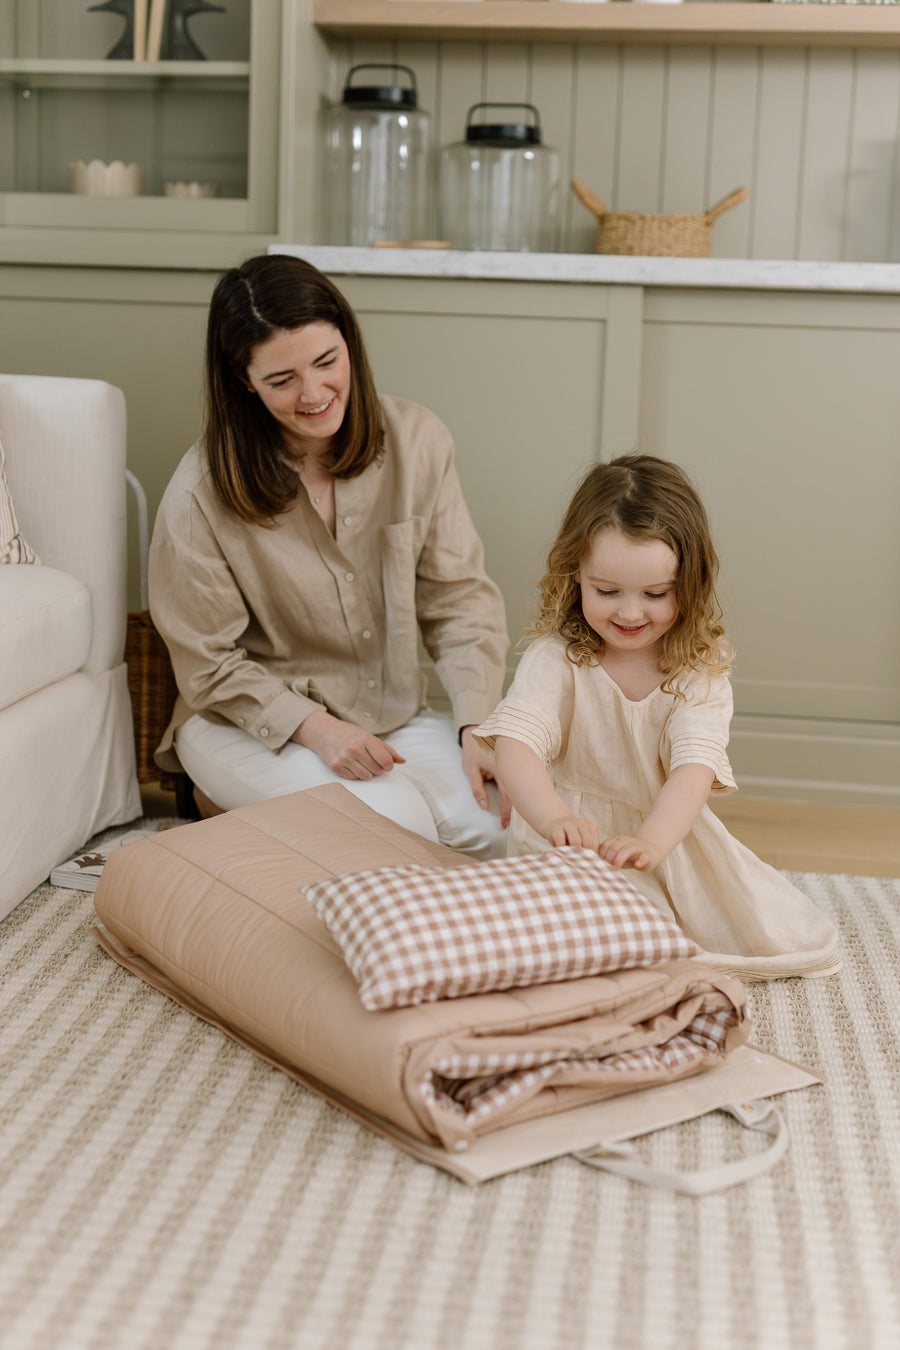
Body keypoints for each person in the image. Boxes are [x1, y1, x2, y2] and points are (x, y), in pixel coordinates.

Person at [149, 253, 509, 858]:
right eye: (282, 380)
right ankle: (212, 795)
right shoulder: (199, 493)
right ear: (243, 378)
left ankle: (250, 820)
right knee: (387, 835)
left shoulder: (419, 442)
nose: (314, 394)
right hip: (247, 722)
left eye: (326, 362)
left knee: (496, 825)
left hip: (392, 712)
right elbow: (208, 664)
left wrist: (478, 727)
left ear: (350, 345)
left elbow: (459, 602)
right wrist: (316, 730)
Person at [473, 453, 841, 979]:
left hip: (661, 835)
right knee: (569, 929)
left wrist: (651, 842)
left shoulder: (696, 673)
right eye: (607, 591)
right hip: (567, 840)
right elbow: (517, 747)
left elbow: (692, 772)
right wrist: (554, 817)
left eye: (655, 594)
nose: (629, 612)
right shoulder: (556, 658)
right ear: (575, 572)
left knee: (726, 929)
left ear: (688, 585)